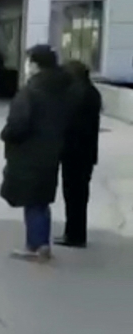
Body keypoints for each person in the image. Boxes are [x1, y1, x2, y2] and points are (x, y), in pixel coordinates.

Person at [0, 45, 73, 262]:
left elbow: (18, 124)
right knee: (41, 200)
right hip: (52, 151)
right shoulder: (64, 90)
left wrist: (7, 135)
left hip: (29, 152)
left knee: (32, 200)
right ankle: (42, 243)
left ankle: (36, 245)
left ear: (35, 64)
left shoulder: (31, 91)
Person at [57, 60, 102, 248]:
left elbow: (70, 122)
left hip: (74, 151)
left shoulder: (76, 93)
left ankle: (73, 234)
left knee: (73, 194)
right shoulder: (92, 92)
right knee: (80, 195)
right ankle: (76, 233)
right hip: (86, 152)